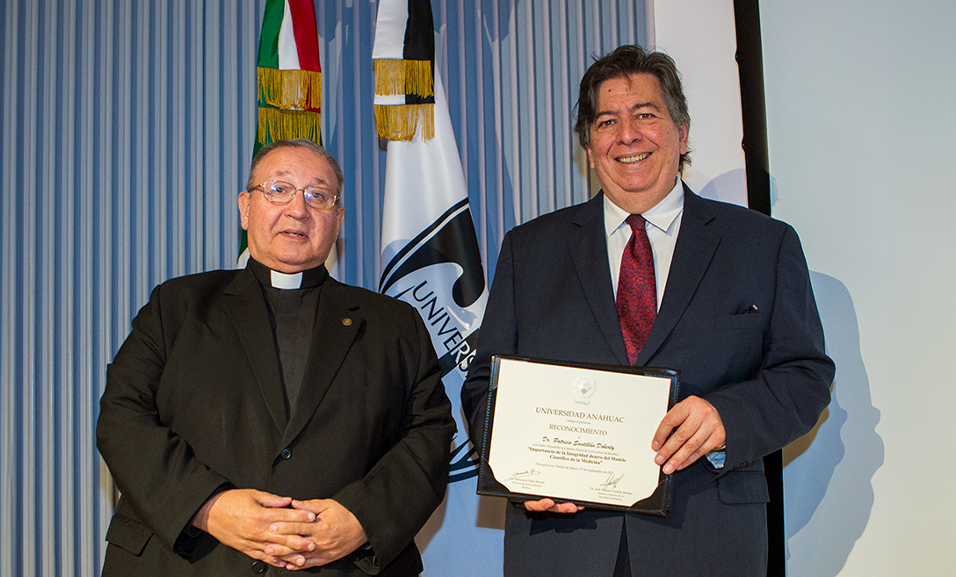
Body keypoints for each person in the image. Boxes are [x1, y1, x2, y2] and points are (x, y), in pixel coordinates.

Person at [461, 45, 834, 576]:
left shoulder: (761, 244)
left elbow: (805, 376)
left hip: (708, 543)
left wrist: (727, 417)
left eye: (645, 115)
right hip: (562, 546)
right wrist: (518, 471)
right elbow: (483, 388)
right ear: (589, 148)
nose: (627, 135)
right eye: (607, 121)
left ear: (681, 134)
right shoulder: (530, 250)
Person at [97, 139, 455, 576]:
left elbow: (430, 434)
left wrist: (362, 519)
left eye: (317, 196)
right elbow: (121, 417)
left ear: (337, 220)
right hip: (189, 562)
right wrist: (208, 506)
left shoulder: (394, 325)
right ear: (245, 209)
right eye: (279, 190)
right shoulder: (177, 307)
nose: (298, 209)